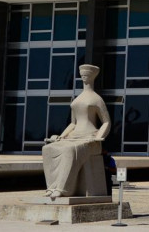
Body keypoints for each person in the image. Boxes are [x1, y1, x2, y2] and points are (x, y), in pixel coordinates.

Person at [42, 64, 111, 199]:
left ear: (93, 77)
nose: (84, 76)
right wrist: (61, 136)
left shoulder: (97, 99)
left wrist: (98, 137)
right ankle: (51, 187)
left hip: (89, 139)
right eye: (82, 74)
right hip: (73, 137)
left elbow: (106, 122)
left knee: (69, 150)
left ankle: (63, 188)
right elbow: (73, 123)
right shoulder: (77, 99)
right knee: (48, 149)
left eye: (87, 74)